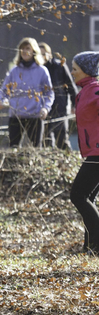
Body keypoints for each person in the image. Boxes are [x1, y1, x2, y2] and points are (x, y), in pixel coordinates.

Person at [0, 37, 54, 147]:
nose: (25, 51)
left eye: (27, 48)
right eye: (22, 49)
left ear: (34, 50)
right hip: (16, 116)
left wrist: (46, 108)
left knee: (36, 148)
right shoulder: (14, 70)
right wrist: (0, 100)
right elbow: (4, 90)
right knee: (14, 148)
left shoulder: (42, 71)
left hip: (35, 116)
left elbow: (49, 93)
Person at [69, 51, 99, 255]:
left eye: (74, 69)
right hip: (94, 152)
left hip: (98, 153)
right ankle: (90, 248)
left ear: (86, 71)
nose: (71, 72)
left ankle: (96, 246)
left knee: (78, 195)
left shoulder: (95, 89)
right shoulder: (86, 90)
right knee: (87, 196)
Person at [41, 42, 77, 150]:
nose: (42, 56)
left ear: (49, 54)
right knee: (46, 141)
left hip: (60, 107)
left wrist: (74, 105)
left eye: (44, 53)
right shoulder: (36, 69)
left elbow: (71, 86)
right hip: (43, 110)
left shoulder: (59, 66)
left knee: (62, 140)